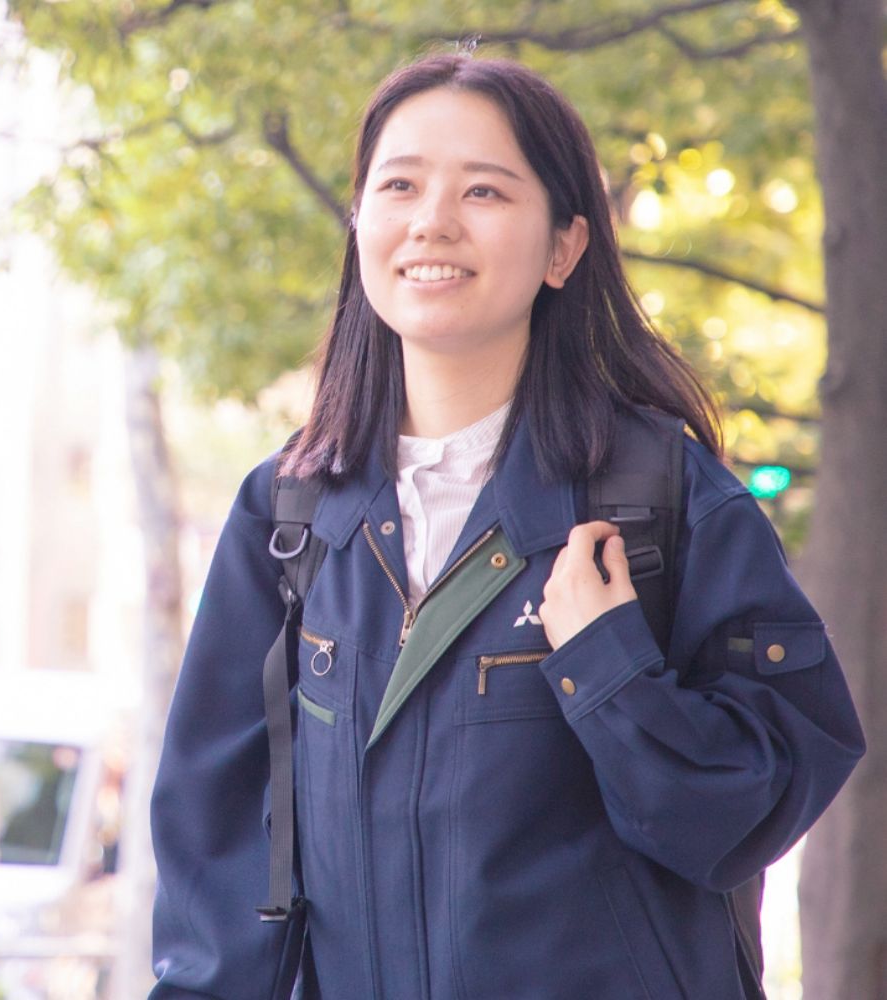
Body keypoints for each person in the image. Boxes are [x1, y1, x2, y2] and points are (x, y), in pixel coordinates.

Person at [148, 54, 864, 1000]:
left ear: (564, 248)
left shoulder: (663, 503)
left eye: (483, 190)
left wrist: (609, 667)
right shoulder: (290, 515)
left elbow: (744, 817)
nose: (432, 221)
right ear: (359, 224)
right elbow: (217, 860)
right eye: (400, 185)